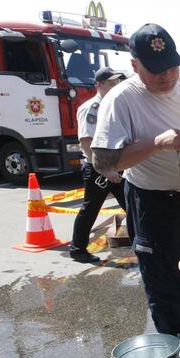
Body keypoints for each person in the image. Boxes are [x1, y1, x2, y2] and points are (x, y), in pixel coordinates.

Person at [91, 23, 180, 337]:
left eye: (172, 66)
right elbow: (102, 162)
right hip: (152, 202)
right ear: (134, 66)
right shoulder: (121, 100)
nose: (167, 75)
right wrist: (157, 142)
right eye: (156, 70)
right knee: (164, 286)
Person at [70, 67, 127, 263]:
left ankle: (141, 244)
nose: (116, 86)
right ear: (99, 85)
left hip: (115, 166)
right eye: (111, 83)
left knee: (131, 205)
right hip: (98, 168)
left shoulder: (111, 105)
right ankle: (77, 249)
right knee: (90, 209)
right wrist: (106, 170)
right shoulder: (91, 108)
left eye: (117, 83)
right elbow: (86, 142)